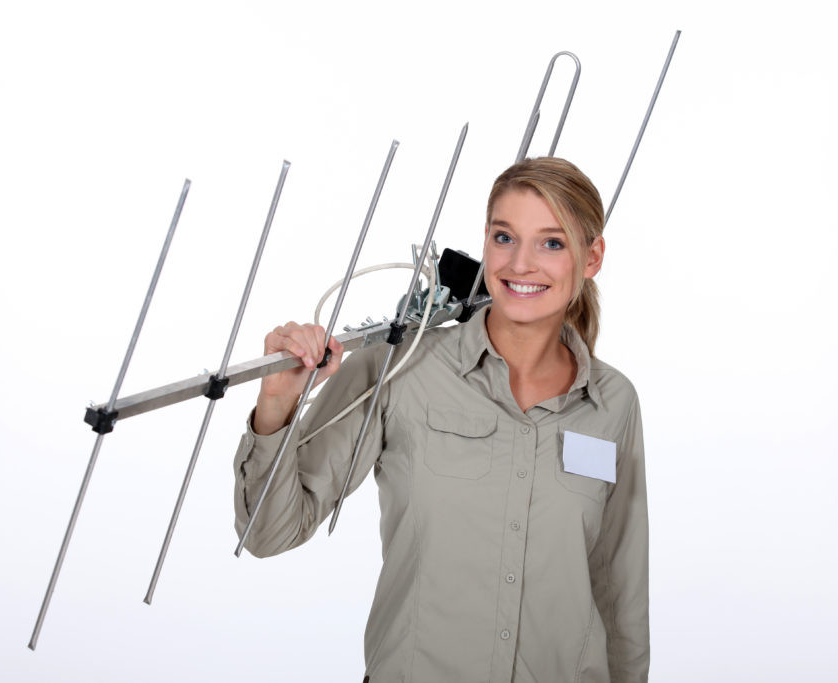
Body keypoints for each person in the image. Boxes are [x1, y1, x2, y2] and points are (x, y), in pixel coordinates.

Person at [234, 157, 649, 683]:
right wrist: (277, 405)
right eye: (504, 237)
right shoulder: (399, 367)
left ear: (592, 258)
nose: (521, 263)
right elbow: (266, 534)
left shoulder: (614, 402)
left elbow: (620, 590)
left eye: (552, 242)